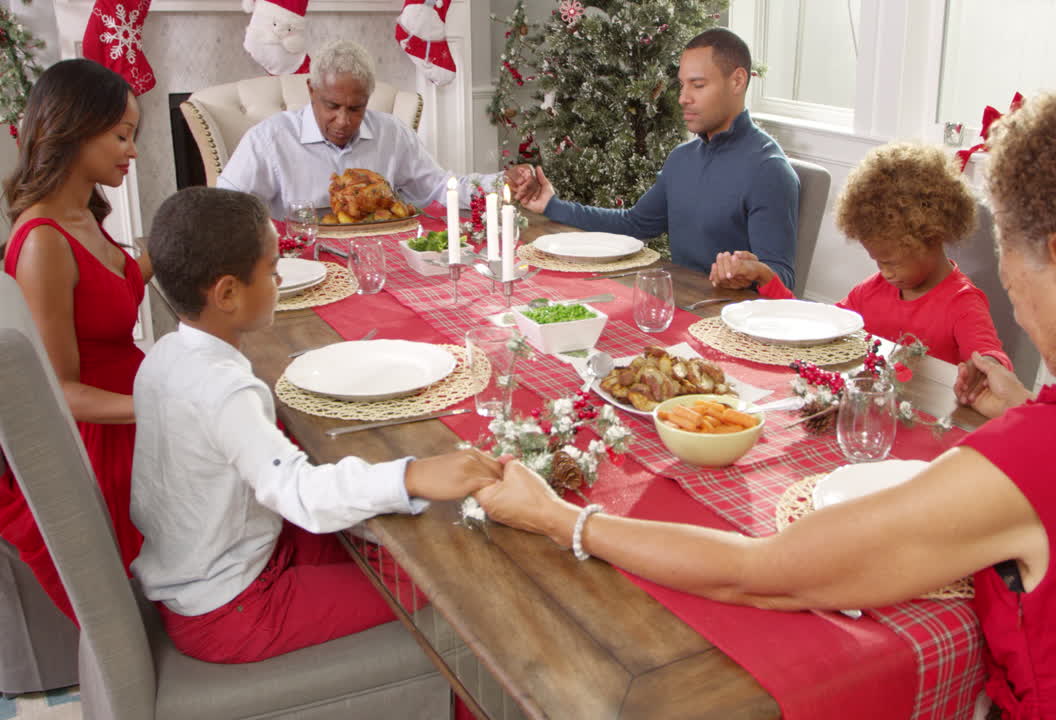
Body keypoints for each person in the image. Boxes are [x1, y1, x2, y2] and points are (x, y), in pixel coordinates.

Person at [477, 79, 1056, 719]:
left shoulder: (1036, 461)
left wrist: (562, 518)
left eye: (1014, 274)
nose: (1015, 302)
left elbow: (763, 573)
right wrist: (1024, 407)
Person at [132, 186, 500, 663]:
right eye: (271, 270)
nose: (280, 278)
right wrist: (412, 473)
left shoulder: (162, 355)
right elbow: (299, 495)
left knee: (391, 531)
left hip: (201, 569)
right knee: (444, 574)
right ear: (226, 293)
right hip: (233, 609)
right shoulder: (226, 393)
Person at [1, 58, 147, 622]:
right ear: (73, 127)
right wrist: (162, 408)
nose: (131, 151)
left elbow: (107, 295)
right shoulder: (42, 240)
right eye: (121, 134)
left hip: (131, 407)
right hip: (106, 440)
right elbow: (58, 391)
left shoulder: (82, 213)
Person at [507, 28, 800, 288]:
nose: (683, 97)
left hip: (730, 325)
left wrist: (753, 272)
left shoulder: (768, 169)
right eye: (682, 85)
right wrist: (551, 206)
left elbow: (782, 279)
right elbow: (634, 225)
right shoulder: (683, 159)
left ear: (737, 81)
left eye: (697, 85)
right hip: (681, 305)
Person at [711, 142, 1011, 368]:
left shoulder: (962, 303)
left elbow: (991, 357)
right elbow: (814, 327)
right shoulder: (872, 291)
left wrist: (988, 366)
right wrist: (766, 277)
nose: (885, 272)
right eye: (877, 262)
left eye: (890, 262)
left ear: (932, 237)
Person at [217, 39, 492, 220]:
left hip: (383, 261)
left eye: (355, 108)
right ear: (312, 91)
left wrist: (501, 185)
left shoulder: (392, 133)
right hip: (303, 263)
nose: (342, 121)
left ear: (368, 99)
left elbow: (442, 188)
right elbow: (225, 211)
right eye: (332, 106)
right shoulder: (268, 140)